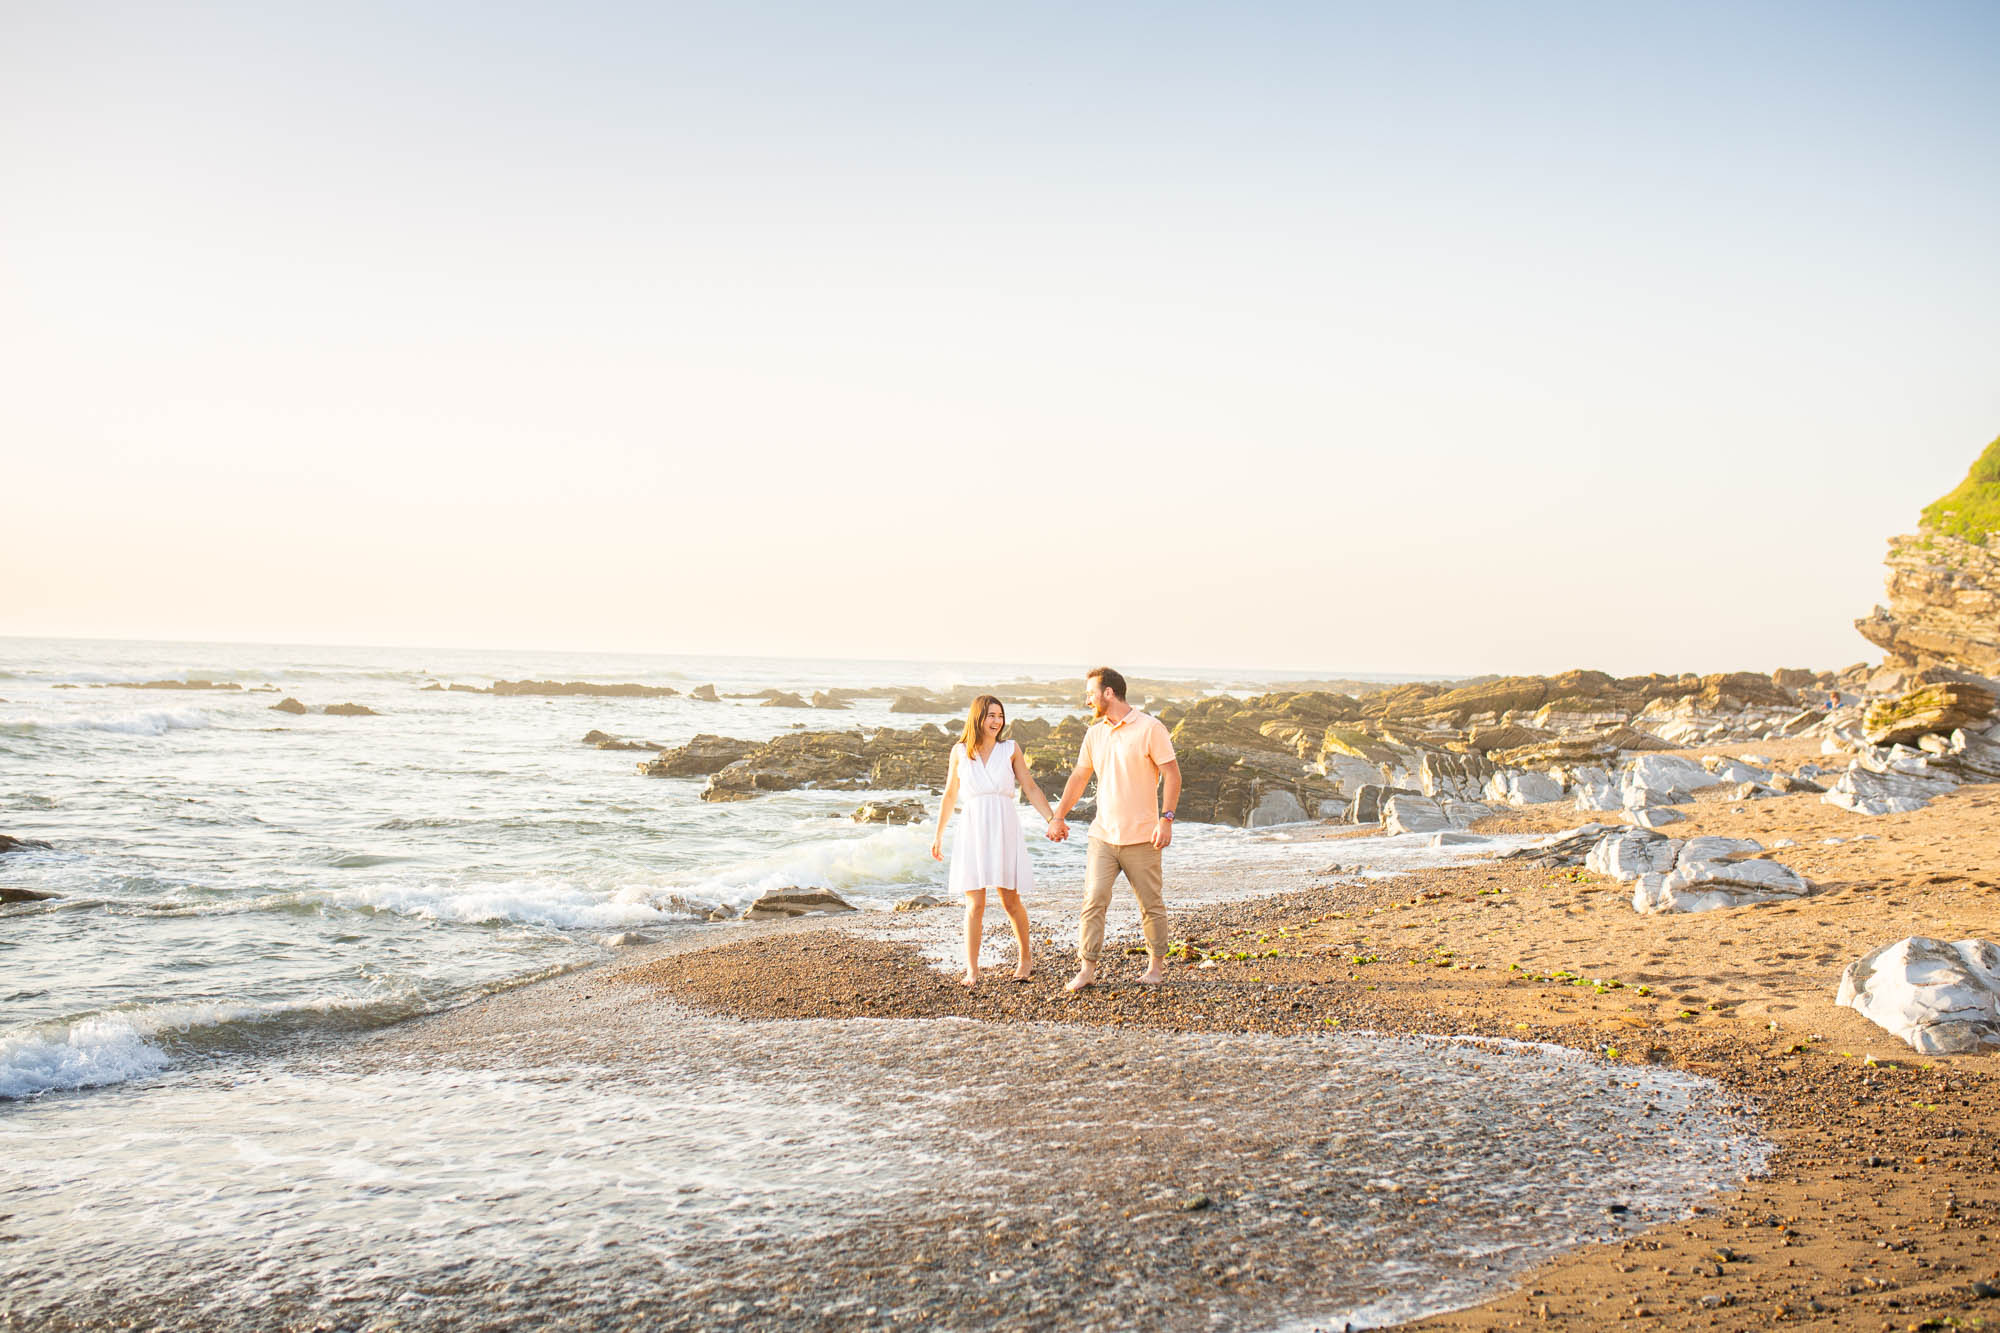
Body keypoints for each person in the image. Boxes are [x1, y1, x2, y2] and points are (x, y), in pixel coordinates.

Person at [1046, 667, 1181, 991]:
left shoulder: (1150, 728)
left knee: (1151, 904)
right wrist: (1058, 816)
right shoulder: (1095, 733)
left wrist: (1166, 819)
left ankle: (1155, 968)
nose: (1087, 699)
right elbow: (1079, 777)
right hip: (1102, 835)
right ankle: (1087, 969)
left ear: (1109, 693)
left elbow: (1173, 775)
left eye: (1091, 692)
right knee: (1093, 900)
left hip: (1143, 837)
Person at [930, 694, 1059, 988]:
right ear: (978, 717)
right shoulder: (960, 751)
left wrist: (1052, 819)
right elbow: (950, 795)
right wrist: (937, 835)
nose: (996, 721)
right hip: (973, 826)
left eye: (1000, 716)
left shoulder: (1010, 749)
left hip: (1003, 824)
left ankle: (1025, 959)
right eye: (990, 715)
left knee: (1010, 899)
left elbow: (1029, 786)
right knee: (974, 903)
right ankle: (972, 969)